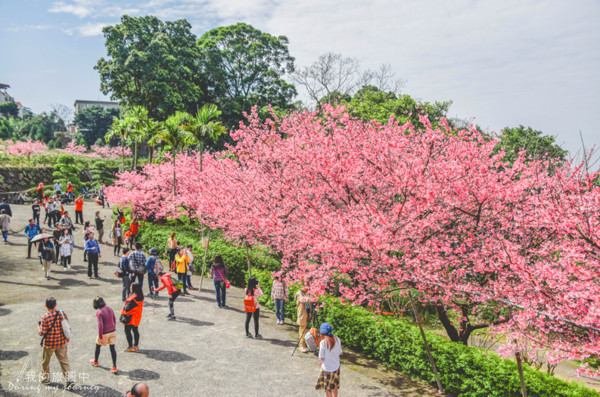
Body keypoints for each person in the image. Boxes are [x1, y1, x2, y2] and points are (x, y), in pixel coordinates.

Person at [38, 297, 74, 389]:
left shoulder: (44, 317)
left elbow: (41, 333)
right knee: (64, 361)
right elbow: (66, 326)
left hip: (49, 344)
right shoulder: (62, 313)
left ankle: (46, 378)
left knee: (45, 361)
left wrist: (39, 327)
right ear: (56, 304)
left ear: (46, 306)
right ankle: (69, 380)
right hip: (61, 342)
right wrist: (67, 337)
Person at [91, 297, 118, 374]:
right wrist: (114, 327)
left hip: (105, 333)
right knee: (112, 349)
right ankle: (114, 366)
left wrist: (100, 336)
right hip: (113, 331)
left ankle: (96, 361)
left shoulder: (99, 312)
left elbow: (100, 325)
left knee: (98, 346)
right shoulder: (109, 308)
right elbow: (114, 318)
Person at [315, 323, 343, 397]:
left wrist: (320, 362)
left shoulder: (323, 343)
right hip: (336, 367)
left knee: (328, 388)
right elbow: (340, 352)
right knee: (335, 385)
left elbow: (321, 357)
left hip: (327, 369)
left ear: (322, 333)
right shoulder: (337, 339)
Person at [122, 283, 144, 352]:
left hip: (130, 317)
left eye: (131, 287)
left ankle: (130, 346)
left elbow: (127, 308)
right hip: (137, 316)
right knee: (135, 330)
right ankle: (136, 345)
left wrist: (124, 307)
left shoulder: (132, 298)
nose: (130, 288)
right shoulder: (140, 296)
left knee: (127, 331)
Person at [295, 286, 310, 353]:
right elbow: (302, 300)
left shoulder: (306, 294)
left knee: (305, 329)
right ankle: (301, 345)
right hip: (302, 313)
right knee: (302, 328)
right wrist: (312, 298)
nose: (307, 289)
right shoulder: (299, 293)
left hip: (307, 313)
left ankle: (304, 343)